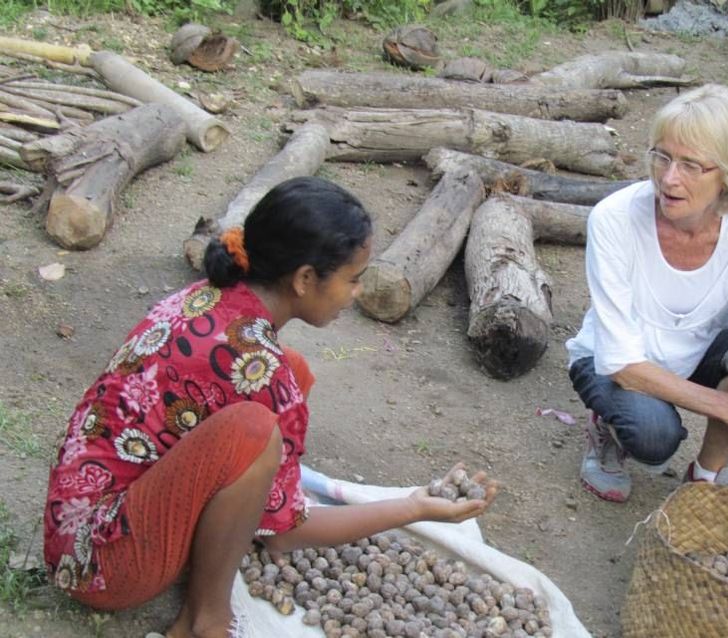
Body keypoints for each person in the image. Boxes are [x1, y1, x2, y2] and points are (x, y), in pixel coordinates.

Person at [42, 177, 498, 638]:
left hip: (76, 526)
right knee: (255, 427)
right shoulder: (260, 366)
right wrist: (411, 508)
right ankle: (207, 620)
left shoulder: (210, 296)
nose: (356, 293)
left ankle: (226, 533)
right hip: (103, 564)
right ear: (303, 279)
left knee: (289, 376)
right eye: (352, 279)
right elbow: (286, 534)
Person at [565, 84, 728, 503]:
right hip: (614, 359)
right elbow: (621, 363)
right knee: (655, 437)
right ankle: (606, 429)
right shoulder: (615, 220)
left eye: (692, 165)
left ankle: (705, 478)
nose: (669, 179)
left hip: (696, 348)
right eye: (662, 157)